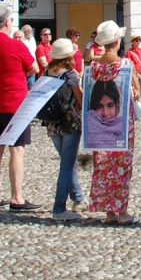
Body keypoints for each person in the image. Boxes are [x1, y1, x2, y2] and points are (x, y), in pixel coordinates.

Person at [0, 5, 41, 212]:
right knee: (17, 150)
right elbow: (35, 67)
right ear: (7, 22)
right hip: (14, 104)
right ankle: (17, 197)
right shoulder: (16, 45)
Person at [86, 21, 141, 225]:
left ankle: (108, 211)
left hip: (98, 125)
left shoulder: (93, 66)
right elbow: (134, 90)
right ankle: (122, 211)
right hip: (120, 125)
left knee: (102, 165)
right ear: (117, 42)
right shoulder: (125, 65)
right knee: (121, 166)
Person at [44, 38, 86, 222]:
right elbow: (80, 98)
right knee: (67, 166)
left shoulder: (47, 71)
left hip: (53, 124)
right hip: (70, 123)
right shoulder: (70, 75)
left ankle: (77, 198)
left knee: (66, 162)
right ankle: (59, 208)